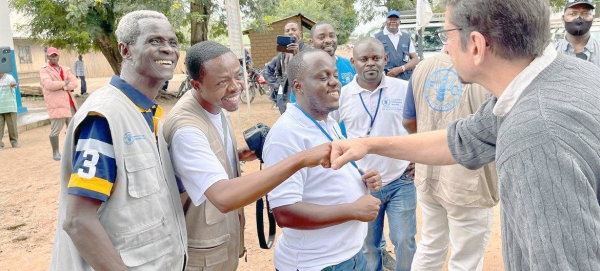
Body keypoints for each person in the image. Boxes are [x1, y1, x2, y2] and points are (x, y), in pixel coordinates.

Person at [329, 0, 600, 270]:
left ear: (476, 46)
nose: (445, 48)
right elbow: (460, 140)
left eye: (447, 36)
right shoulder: (562, 77)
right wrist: (368, 144)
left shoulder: (535, 135)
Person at [162, 41, 332, 271]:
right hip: (202, 255)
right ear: (196, 84)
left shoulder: (212, 104)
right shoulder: (187, 130)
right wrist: (299, 159)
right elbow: (223, 197)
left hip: (220, 245)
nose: (235, 87)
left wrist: (234, 155)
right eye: (222, 82)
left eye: (237, 75)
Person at [49, 10, 187, 271]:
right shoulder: (105, 117)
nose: (168, 49)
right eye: (154, 41)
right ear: (125, 50)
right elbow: (78, 221)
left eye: (173, 42)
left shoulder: (147, 113)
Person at [264, 49, 383, 271]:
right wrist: (353, 210)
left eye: (335, 75)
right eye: (323, 77)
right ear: (298, 86)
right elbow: (285, 212)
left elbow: (325, 180)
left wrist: (363, 179)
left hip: (350, 255)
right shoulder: (287, 134)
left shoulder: (326, 121)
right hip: (318, 264)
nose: (334, 83)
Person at [402, 52, 499, 271]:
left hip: (428, 173)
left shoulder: (423, 67)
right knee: (466, 259)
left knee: (430, 245)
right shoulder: (487, 66)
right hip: (469, 182)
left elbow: (408, 120)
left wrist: (425, 150)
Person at [330, 37, 416, 271]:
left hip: (402, 180)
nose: (370, 63)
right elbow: (330, 135)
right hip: (363, 184)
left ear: (385, 60)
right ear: (353, 62)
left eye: (376, 58)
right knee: (368, 247)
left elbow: (420, 125)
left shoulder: (404, 89)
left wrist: (417, 158)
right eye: (364, 59)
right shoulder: (343, 96)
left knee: (405, 242)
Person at [40, 47, 78, 161]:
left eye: (55, 55)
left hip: (69, 103)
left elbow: (74, 83)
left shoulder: (64, 69)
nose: (54, 57)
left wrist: (63, 86)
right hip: (57, 104)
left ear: (58, 56)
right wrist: (64, 83)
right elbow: (49, 85)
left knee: (73, 128)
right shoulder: (44, 70)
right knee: (56, 129)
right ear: (47, 57)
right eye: (51, 55)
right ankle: (55, 152)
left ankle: (72, 150)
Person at [263, 20, 309, 114]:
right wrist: (280, 85)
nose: (290, 32)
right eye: (287, 31)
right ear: (284, 34)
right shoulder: (283, 53)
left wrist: (297, 53)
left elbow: (309, 71)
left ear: (300, 33)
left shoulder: (309, 50)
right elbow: (279, 72)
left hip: (303, 95)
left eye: (293, 29)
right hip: (285, 97)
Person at [375, 10, 420, 81]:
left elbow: (415, 59)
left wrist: (401, 69)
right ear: (386, 21)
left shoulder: (407, 38)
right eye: (390, 19)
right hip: (386, 78)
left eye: (395, 19)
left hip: (405, 79)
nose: (393, 21)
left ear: (399, 22)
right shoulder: (377, 37)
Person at [555, 0, 599, 67]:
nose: (579, 18)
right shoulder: (552, 53)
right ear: (563, 19)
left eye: (586, 13)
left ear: (593, 18)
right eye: (573, 14)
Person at [0, 73, 19, 150]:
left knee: (12, 126)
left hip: (10, 106)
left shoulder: (9, 77)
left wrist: (13, 84)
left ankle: (14, 141)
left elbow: (13, 83)